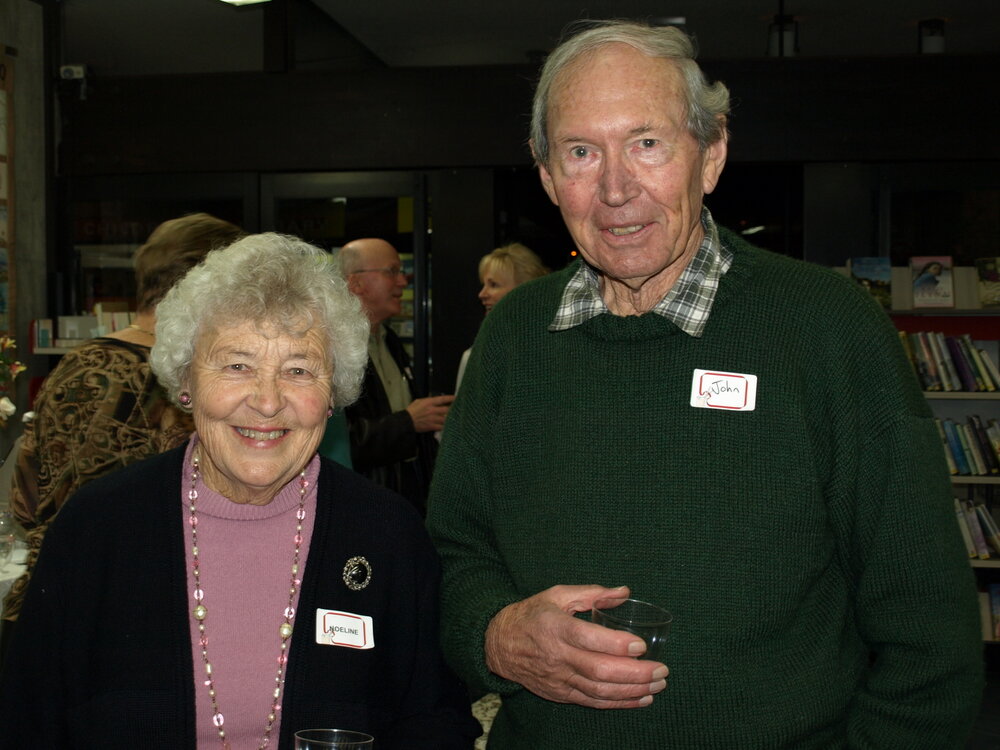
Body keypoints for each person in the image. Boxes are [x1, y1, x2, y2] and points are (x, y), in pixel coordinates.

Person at [426, 20, 983, 749]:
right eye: (581, 152)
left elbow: (929, 634)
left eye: (646, 143)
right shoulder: (513, 336)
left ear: (711, 154)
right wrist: (495, 635)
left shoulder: (828, 328)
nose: (615, 188)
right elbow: (454, 551)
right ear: (547, 175)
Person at [0, 233, 480, 749]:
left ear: (333, 394)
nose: (268, 402)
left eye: (298, 370)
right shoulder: (98, 527)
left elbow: (435, 722)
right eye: (237, 365)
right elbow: (27, 723)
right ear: (186, 383)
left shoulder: (388, 535)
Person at [0, 212, 243, 664]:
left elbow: (25, 501)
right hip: (126, 626)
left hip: (42, 607)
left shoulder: (77, 361)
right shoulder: (177, 383)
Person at [338, 238, 453, 515]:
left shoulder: (389, 341)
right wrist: (409, 422)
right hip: (361, 508)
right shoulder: (333, 350)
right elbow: (339, 443)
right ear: (355, 283)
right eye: (392, 272)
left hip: (399, 501)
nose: (403, 282)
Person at [455, 243, 550, 390]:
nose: (482, 294)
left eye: (493, 285)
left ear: (524, 289)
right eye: (483, 284)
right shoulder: (476, 357)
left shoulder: (554, 350)